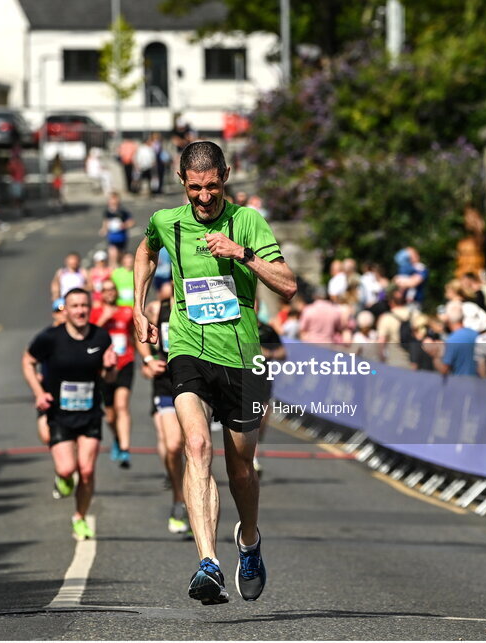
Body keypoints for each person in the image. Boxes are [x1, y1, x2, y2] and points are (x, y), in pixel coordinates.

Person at [133, 140, 296, 604]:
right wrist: (138, 307)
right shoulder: (167, 222)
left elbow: (288, 286)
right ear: (181, 183)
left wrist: (240, 253)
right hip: (187, 348)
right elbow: (145, 252)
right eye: (195, 189)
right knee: (197, 445)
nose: (204, 197)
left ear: (226, 175)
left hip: (242, 357)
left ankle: (249, 541)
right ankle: (208, 562)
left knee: (241, 468)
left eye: (213, 186)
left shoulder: (248, 221)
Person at [22, 288, 117, 540]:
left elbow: (109, 379)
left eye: (84, 306)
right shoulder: (50, 338)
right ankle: (61, 478)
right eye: (74, 306)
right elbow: (27, 361)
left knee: (86, 471)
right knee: (67, 469)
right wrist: (38, 393)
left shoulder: (101, 338)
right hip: (59, 414)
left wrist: (110, 368)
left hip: (89, 413)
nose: (80, 311)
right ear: (66, 310)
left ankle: (80, 517)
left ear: (90, 307)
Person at [135, 280, 190, 534]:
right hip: (166, 384)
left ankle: (195, 507)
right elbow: (140, 329)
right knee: (173, 445)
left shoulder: (199, 303)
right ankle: (179, 499)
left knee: (197, 449)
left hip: (195, 381)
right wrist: (148, 359)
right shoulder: (159, 308)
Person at [90, 280, 136, 468]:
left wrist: (146, 358)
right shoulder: (94, 313)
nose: (109, 293)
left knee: (122, 405)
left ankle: (125, 449)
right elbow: (89, 337)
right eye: (105, 290)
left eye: (112, 289)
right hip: (104, 367)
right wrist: (103, 319)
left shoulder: (127, 312)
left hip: (125, 361)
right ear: (101, 294)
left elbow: (133, 335)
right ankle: (117, 438)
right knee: (109, 415)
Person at [254, 315, 286, 474]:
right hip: (242, 378)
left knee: (262, 419)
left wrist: (269, 353)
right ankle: (250, 458)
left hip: (264, 378)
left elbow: (282, 353)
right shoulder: (236, 326)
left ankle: (252, 452)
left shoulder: (268, 330)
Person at [37, 298, 68, 449]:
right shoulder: (46, 336)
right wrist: (37, 379)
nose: (62, 314)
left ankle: (71, 470)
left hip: (71, 391)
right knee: (47, 436)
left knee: (72, 434)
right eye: (58, 311)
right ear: (53, 314)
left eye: (64, 310)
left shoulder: (78, 334)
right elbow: (29, 358)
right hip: (49, 390)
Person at [434, 301, 478, 376]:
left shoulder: (452, 340)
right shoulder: (476, 334)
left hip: (460, 383)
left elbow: (444, 369)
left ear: (448, 318)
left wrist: (435, 355)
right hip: (478, 383)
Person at [100, 191, 135, 266]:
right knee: (112, 255)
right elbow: (106, 222)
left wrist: (124, 225)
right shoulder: (107, 212)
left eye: (114, 200)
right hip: (112, 238)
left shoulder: (123, 212)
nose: (112, 202)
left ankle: (121, 271)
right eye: (111, 200)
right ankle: (113, 271)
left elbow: (132, 222)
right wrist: (104, 229)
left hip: (121, 238)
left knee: (121, 257)